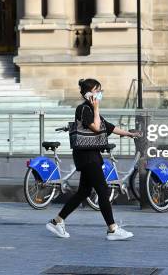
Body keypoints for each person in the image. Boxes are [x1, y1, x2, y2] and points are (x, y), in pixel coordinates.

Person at [46, 78, 141, 241]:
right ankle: (112, 229)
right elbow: (96, 128)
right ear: (89, 93)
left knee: (84, 191)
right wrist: (96, 108)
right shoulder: (84, 109)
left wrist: (130, 134)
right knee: (103, 190)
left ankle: (57, 221)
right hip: (87, 156)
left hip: (91, 155)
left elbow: (108, 127)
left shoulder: (90, 108)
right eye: (98, 91)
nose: (100, 93)